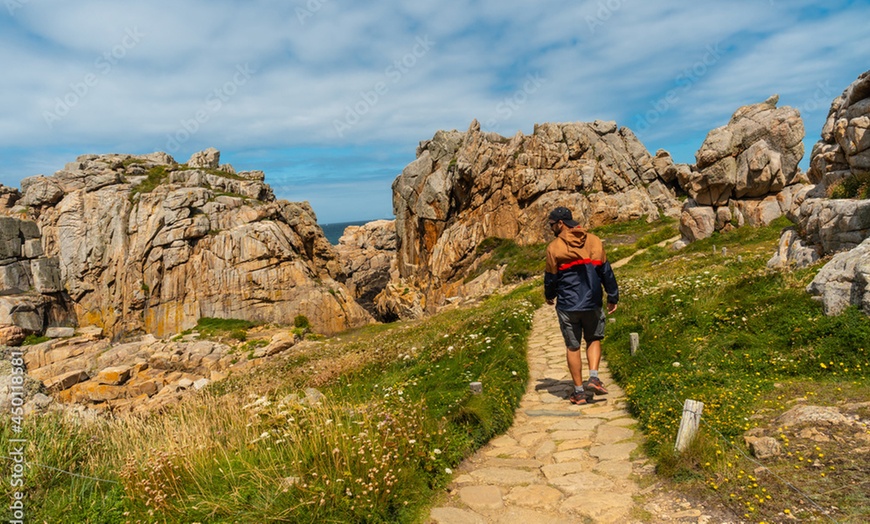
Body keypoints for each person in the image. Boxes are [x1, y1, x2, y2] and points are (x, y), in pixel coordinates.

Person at [544, 206, 619, 405]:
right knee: (593, 338)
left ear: (560, 224)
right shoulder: (594, 241)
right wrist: (613, 296)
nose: (551, 228)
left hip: (568, 305)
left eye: (552, 224)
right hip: (592, 302)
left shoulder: (554, 247)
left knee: (573, 346)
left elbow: (551, 278)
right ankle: (593, 377)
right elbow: (606, 272)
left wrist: (549, 295)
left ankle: (578, 392)